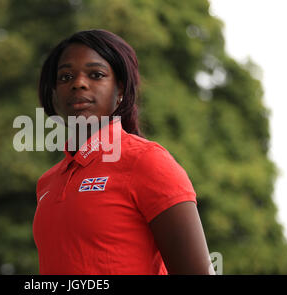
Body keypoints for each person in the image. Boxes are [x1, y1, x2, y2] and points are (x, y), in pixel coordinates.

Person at [33, 29, 215, 275]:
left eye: (96, 74)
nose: (78, 83)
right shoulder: (47, 183)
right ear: (53, 94)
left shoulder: (147, 162)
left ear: (120, 90)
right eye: (65, 77)